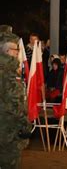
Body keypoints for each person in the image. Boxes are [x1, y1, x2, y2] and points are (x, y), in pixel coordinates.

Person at [0, 26, 31, 169]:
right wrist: (25, 127)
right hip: (8, 131)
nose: (18, 53)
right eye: (16, 50)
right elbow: (16, 106)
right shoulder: (9, 74)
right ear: (8, 51)